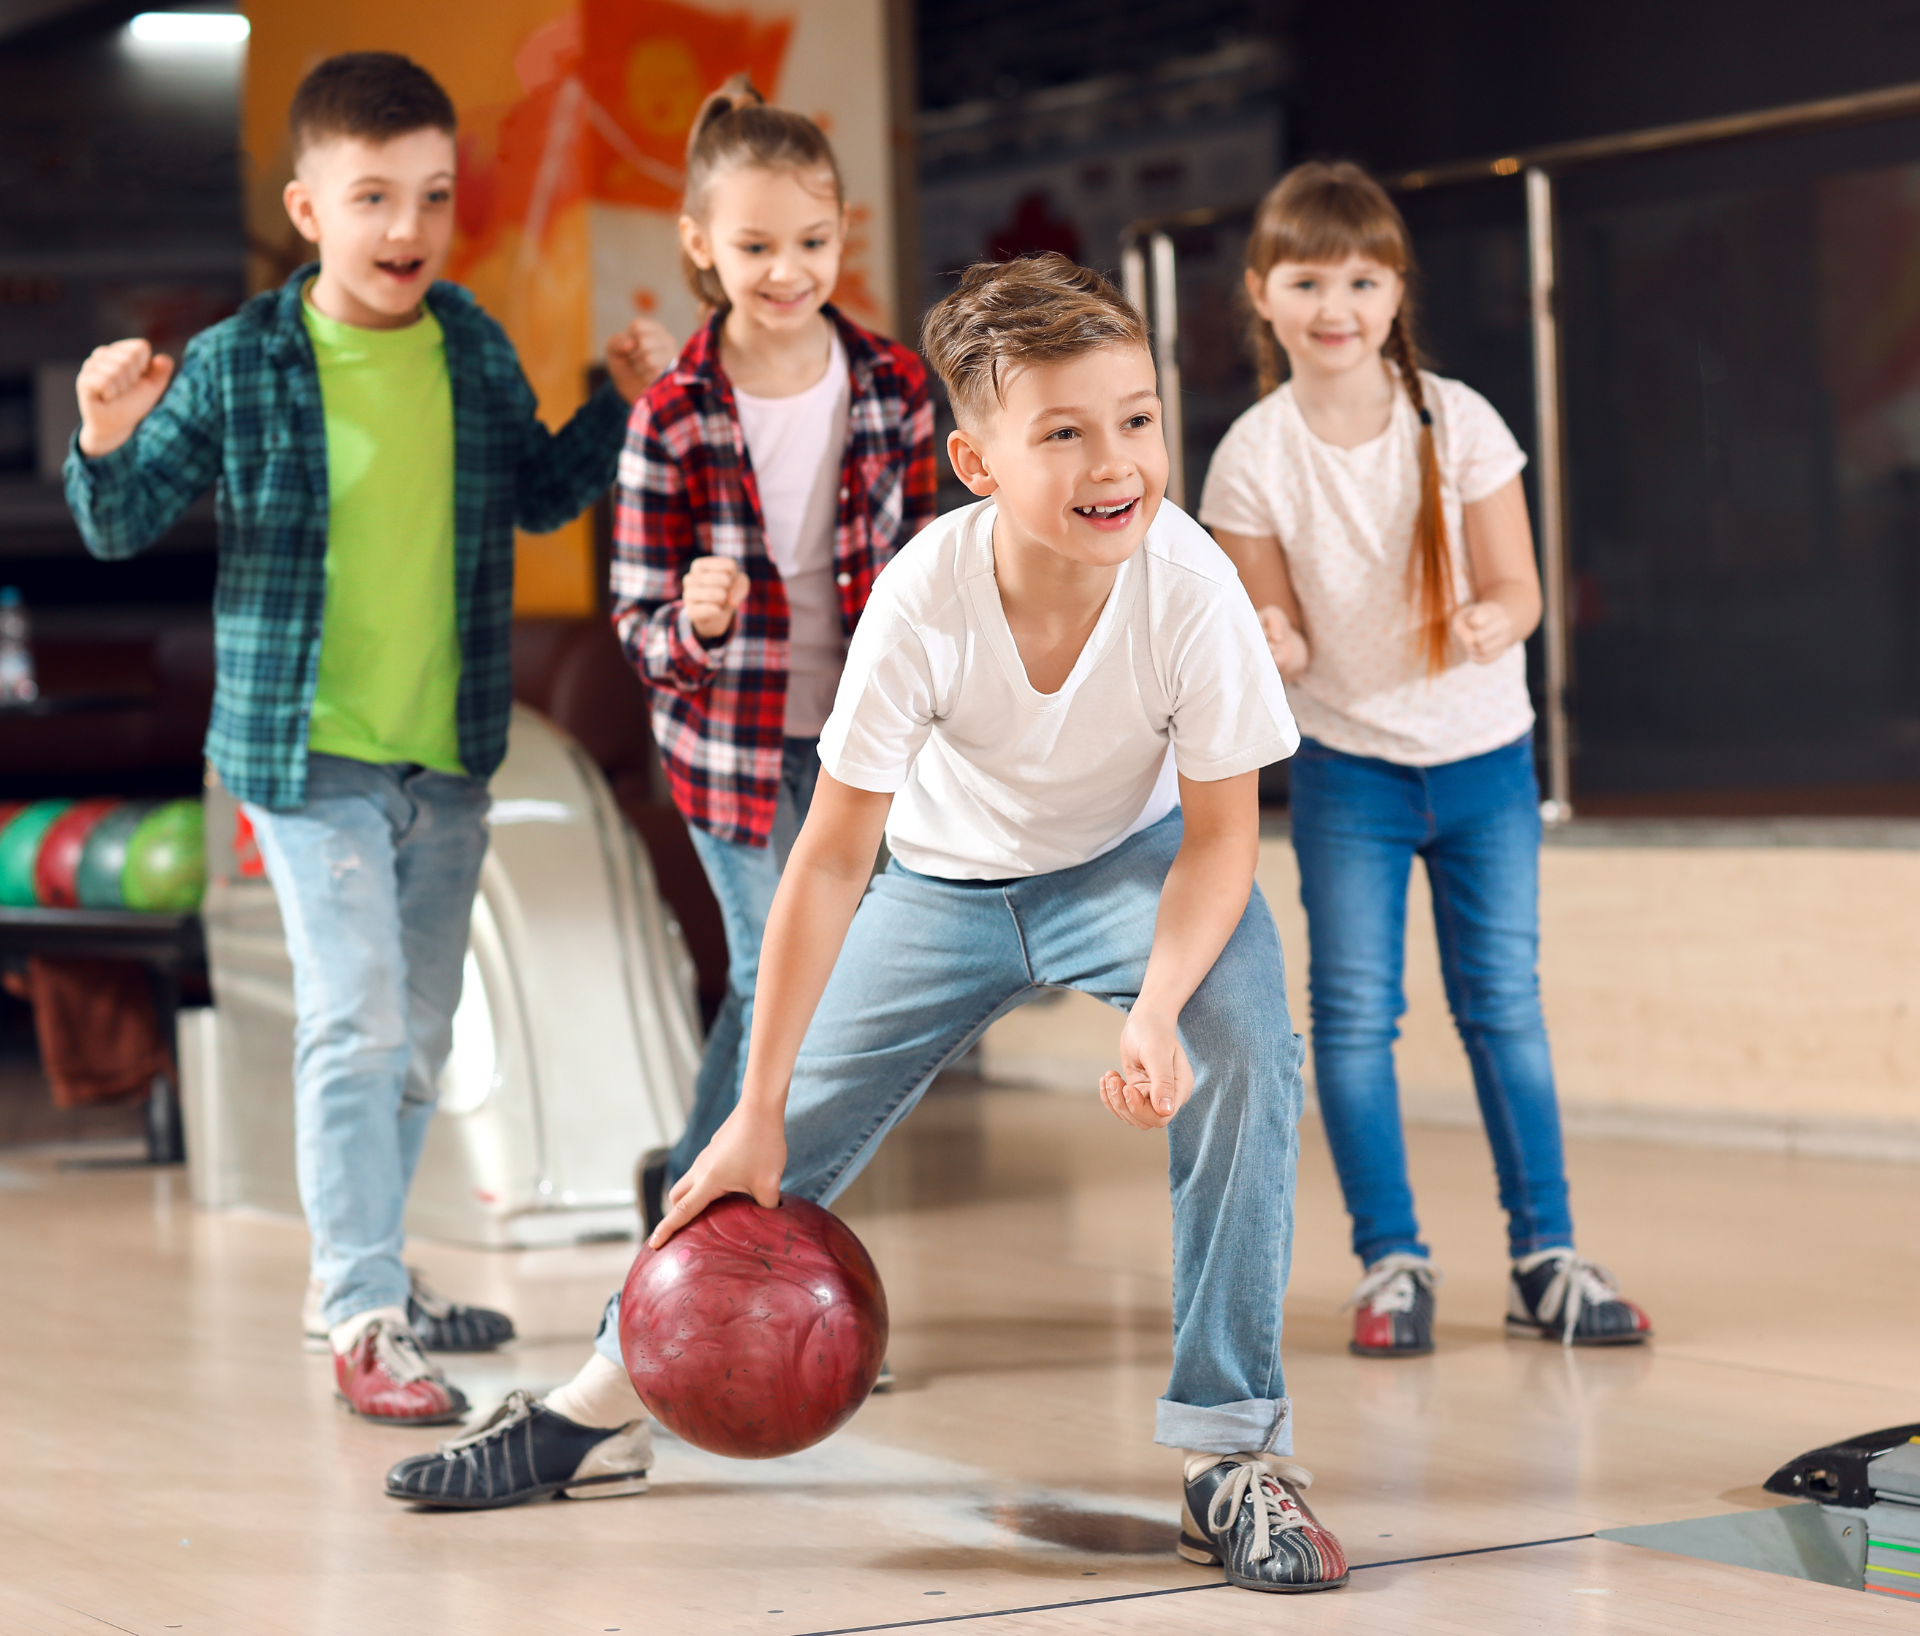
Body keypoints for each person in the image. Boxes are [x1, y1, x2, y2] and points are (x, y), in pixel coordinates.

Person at [384, 252, 1351, 1599]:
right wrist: (760, 1100)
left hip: (1133, 873)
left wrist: (1155, 1008)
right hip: (939, 886)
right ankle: (595, 1410)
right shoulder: (924, 597)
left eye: (1135, 418)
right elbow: (831, 861)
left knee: (1246, 1042)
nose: (1112, 459)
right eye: (1061, 431)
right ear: (974, 461)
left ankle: (1229, 1454)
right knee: (757, 1153)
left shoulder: (1188, 589)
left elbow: (1222, 839)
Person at [64, 52, 673, 1424]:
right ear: (308, 208)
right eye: (374, 197)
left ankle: (367, 1270)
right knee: (354, 1020)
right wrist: (106, 437)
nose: (407, 228)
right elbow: (119, 523)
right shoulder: (240, 362)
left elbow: (533, 494)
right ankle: (360, 1311)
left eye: (434, 197)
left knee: (415, 1034)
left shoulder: (466, 342)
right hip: (301, 752)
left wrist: (619, 404)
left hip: (444, 757)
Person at [1199, 161, 1653, 1358]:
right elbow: (1271, 622)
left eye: (1361, 277)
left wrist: (1501, 616)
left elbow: (1522, 586)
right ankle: (1391, 1261)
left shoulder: (1460, 420)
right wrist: (1275, 638)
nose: (1334, 303)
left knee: (1502, 1005)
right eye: (1306, 279)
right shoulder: (1251, 453)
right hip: (1350, 771)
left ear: (1396, 292)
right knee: (1351, 1019)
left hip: (1486, 760)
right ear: (1262, 293)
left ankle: (1544, 1255)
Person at [610, 77, 934, 1231]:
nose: (788, 268)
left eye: (812, 239)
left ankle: (695, 1193)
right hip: (727, 750)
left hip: (862, 742)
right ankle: (734, 1237)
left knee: (823, 986)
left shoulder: (895, 386)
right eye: (754, 244)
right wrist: (694, 622)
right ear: (701, 244)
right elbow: (637, 622)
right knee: (778, 977)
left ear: (844, 232)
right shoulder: (672, 410)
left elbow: (937, 574)